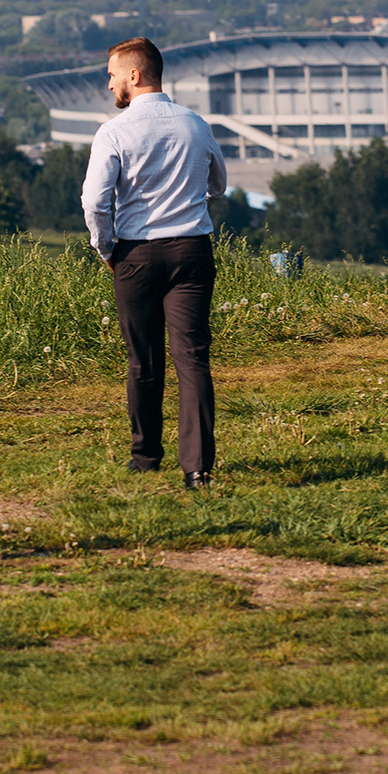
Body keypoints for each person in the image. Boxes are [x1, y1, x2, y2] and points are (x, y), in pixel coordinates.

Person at [81, 36, 228, 488]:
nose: (109, 85)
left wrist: (106, 248)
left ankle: (145, 455)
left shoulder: (113, 132)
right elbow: (219, 184)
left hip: (137, 254)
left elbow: (94, 201)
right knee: (192, 358)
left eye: (112, 75)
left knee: (143, 359)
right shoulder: (196, 124)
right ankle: (197, 467)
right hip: (192, 249)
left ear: (134, 74)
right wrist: (189, 203)